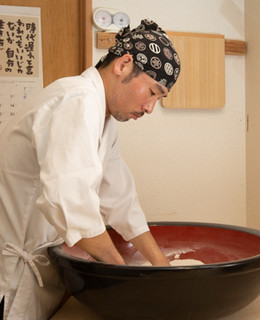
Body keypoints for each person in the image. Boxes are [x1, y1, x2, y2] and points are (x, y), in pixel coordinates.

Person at [0, 19, 180, 320]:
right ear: (123, 65)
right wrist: (124, 278)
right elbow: (70, 203)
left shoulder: (102, 118)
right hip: (10, 275)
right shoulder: (77, 99)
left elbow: (121, 201)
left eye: (158, 99)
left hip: (41, 272)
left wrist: (162, 267)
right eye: (152, 92)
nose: (150, 108)